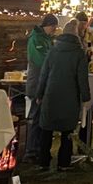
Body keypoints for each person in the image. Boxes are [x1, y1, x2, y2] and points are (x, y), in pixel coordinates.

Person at [36, 19, 90, 171]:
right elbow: (82, 78)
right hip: (70, 97)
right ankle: (64, 162)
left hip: (51, 95)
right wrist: (86, 97)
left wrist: (39, 94)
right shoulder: (79, 53)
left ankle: (43, 161)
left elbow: (44, 75)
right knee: (67, 131)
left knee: (46, 130)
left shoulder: (53, 51)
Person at [24, 13, 58, 161]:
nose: (55, 30)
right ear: (48, 26)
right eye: (54, 27)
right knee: (36, 117)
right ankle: (30, 150)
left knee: (41, 117)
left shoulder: (46, 39)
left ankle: (37, 148)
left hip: (42, 84)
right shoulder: (36, 39)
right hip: (37, 84)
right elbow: (42, 61)